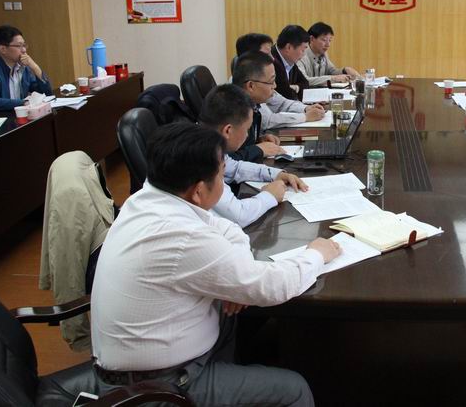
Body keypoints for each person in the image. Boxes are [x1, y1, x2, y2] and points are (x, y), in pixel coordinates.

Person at [86, 122, 340, 406]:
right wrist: (316, 254)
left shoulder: (147, 199)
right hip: (159, 387)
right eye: (221, 174)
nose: (224, 181)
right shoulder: (183, 237)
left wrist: (237, 275)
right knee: (294, 390)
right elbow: (271, 287)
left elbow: (228, 228)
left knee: (244, 312)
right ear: (198, 191)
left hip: (154, 357)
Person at [199, 83, 307, 227]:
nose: (247, 135)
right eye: (247, 129)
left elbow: (234, 168)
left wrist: (276, 174)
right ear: (228, 131)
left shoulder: (208, 143)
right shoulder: (202, 158)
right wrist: (269, 195)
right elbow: (239, 216)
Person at [230, 52, 299, 162]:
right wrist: (259, 149)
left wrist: (258, 140)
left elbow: (242, 146)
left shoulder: (253, 106)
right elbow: (226, 161)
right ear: (251, 86)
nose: (275, 86)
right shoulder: (232, 113)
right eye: (271, 81)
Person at [0, 25, 52, 114]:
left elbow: (47, 93)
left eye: (24, 45)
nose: (24, 50)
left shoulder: (23, 68)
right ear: (3, 49)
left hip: (18, 116)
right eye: (19, 46)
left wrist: (35, 67)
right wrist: (24, 103)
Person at [296, 22, 360, 87]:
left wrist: (345, 70)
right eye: (324, 40)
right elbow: (304, 80)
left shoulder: (323, 53)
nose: (328, 45)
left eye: (330, 40)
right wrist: (333, 79)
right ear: (312, 39)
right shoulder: (300, 55)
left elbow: (331, 71)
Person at [271, 25, 310, 100]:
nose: (304, 54)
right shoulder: (272, 62)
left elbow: (305, 83)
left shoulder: (289, 60)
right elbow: (286, 94)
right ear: (288, 47)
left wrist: (296, 87)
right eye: (303, 50)